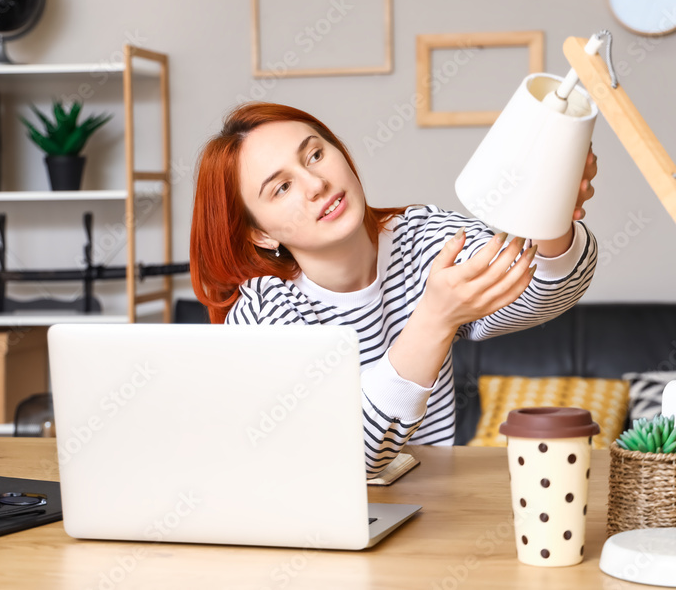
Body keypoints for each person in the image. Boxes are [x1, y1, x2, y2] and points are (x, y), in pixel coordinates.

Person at [190, 102, 598, 478]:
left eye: (315, 154)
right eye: (281, 187)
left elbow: (536, 292)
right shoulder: (266, 313)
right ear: (260, 234)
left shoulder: (422, 237)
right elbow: (348, 462)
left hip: (439, 508)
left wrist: (550, 218)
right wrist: (435, 319)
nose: (315, 183)